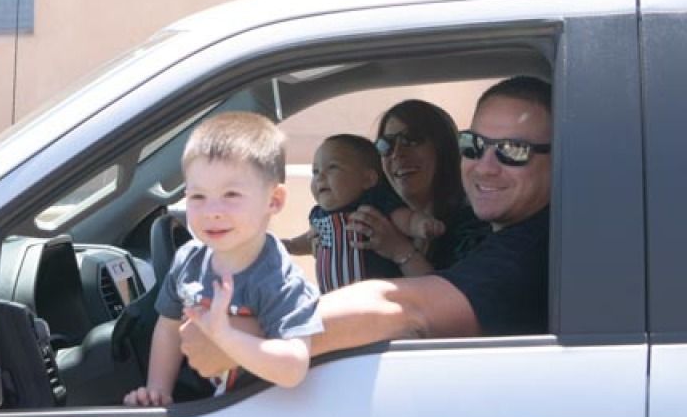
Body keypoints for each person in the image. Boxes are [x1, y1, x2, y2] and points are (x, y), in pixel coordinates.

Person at [180, 76, 553, 377]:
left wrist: (243, 335)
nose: (485, 166)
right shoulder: (487, 228)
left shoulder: (532, 251)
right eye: (474, 145)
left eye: (513, 150)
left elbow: (405, 306)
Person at [123, 111, 324, 407]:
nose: (212, 211)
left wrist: (224, 336)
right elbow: (167, 327)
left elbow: (294, 367)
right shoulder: (189, 260)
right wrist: (157, 391)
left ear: (274, 200)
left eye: (231, 194)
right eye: (197, 197)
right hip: (210, 413)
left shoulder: (279, 280)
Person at [283, 134, 443, 292]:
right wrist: (291, 246)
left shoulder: (374, 204)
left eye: (332, 167)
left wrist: (421, 225)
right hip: (333, 299)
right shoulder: (319, 214)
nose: (320, 177)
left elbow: (405, 219)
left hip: (380, 299)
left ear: (368, 179)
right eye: (316, 171)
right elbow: (310, 239)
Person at [348, 99, 489, 276]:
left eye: (412, 140)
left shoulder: (474, 230)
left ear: (443, 148)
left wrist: (400, 251)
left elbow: (453, 300)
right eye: (386, 144)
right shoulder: (379, 218)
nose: (398, 153)